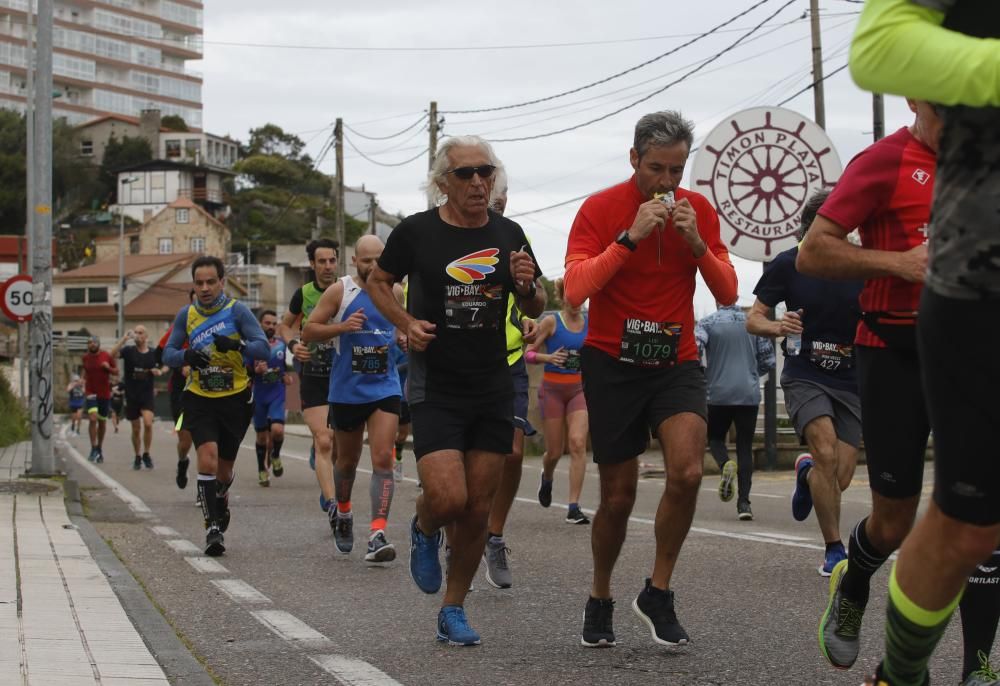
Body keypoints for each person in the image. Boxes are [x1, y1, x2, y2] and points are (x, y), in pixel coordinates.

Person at [797, 97, 1000, 685]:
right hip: (894, 353)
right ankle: (855, 580)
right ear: (915, 98)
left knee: (980, 520)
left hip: (973, 354)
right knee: (895, 521)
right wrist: (902, 265)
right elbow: (814, 251)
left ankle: (979, 667)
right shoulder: (884, 162)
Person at [564, 111, 737, 649]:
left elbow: (729, 292)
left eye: (677, 170)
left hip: (675, 361)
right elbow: (574, 289)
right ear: (634, 158)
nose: (667, 182)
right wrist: (629, 237)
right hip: (612, 364)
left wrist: (697, 246)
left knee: (687, 472)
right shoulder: (599, 208)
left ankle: (657, 591)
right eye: (657, 168)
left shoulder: (698, 211)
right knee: (618, 496)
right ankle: (600, 595)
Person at [368, 135, 545, 646]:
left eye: (485, 172)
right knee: (447, 497)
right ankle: (423, 526)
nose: (477, 182)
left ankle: (453, 609)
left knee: (476, 509)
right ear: (443, 182)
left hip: (491, 384)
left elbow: (535, 304)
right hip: (436, 383)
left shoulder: (509, 232)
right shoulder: (416, 232)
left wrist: (528, 284)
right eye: (465, 174)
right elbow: (380, 281)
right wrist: (406, 322)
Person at [746, 190, 863, 576]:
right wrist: (778, 326)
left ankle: (805, 471)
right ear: (814, 227)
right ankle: (834, 549)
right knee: (827, 454)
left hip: (850, 377)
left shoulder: (858, 266)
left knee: (840, 475)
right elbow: (754, 319)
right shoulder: (788, 264)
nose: (842, 233)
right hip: (805, 373)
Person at [303, 235, 404, 563]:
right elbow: (309, 330)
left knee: (383, 460)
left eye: (379, 260)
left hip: (385, 386)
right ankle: (343, 512)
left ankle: (377, 533)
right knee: (345, 463)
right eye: (366, 261)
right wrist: (343, 327)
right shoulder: (340, 291)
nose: (373, 266)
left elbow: (402, 327)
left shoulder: (395, 290)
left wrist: (404, 337)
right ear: (354, 261)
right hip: (347, 389)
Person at [163, 256, 269, 556]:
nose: (205, 288)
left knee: (223, 470)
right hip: (199, 397)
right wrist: (186, 357)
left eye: (211, 282)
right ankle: (212, 528)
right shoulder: (187, 314)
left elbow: (264, 349)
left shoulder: (237, 311)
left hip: (234, 399)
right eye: (199, 283)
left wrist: (237, 345)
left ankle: (220, 495)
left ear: (222, 281)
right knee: (206, 458)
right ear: (193, 285)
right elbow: (167, 353)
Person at [480, 174, 542, 590]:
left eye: (501, 202)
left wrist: (528, 302)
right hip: (458, 364)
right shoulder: (440, 236)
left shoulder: (513, 237)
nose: (494, 208)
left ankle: (494, 536)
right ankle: (455, 536)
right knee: (466, 465)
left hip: (509, 358)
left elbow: (536, 297)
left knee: (514, 454)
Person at [695, 303, 775, 521]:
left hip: (717, 394)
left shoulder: (707, 323)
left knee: (715, 438)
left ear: (716, 300)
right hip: (748, 394)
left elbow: (695, 350)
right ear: (736, 297)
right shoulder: (752, 322)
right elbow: (768, 360)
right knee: (744, 446)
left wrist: (706, 374)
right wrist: (751, 374)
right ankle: (744, 504)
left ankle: (724, 464)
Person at [279, 239, 340, 523]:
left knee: (337, 443)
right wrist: (293, 346)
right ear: (312, 265)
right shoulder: (303, 294)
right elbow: (285, 325)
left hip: (344, 375)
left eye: (332, 260)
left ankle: (324, 468)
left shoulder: (349, 290)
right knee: (324, 440)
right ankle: (332, 503)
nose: (327, 266)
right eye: (322, 261)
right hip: (313, 373)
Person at [526, 278, 591, 525]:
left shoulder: (589, 322)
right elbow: (528, 354)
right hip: (552, 391)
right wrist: (548, 357)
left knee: (577, 443)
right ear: (562, 297)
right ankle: (548, 476)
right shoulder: (552, 322)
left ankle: (574, 506)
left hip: (578, 391)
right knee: (554, 451)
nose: (575, 303)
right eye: (571, 298)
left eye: (580, 298)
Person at [157, 290, 196, 491]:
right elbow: (161, 352)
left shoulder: (223, 324)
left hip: (212, 391)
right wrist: (180, 365)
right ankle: (182, 461)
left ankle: (206, 490)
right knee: (185, 438)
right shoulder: (180, 326)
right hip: (181, 393)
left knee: (208, 442)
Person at [111, 325, 161, 470]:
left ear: (146, 336)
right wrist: (124, 339)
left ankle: (146, 453)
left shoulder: (152, 353)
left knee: (147, 423)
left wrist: (158, 371)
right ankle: (137, 456)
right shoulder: (128, 351)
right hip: (132, 394)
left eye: (140, 333)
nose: (137, 335)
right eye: (136, 332)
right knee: (136, 428)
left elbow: (164, 366)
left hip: (146, 394)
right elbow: (112, 355)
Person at [250, 310, 290, 487]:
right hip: (259, 394)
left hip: (277, 393)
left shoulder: (282, 345)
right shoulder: (252, 346)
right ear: (260, 324)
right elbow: (244, 369)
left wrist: (286, 376)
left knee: (277, 431)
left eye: (274, 324)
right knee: (261, 438)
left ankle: (275, 456)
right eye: (268, 323)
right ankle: (261, 469)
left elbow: (283, 368)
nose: (271, 327)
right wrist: (255, 371)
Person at [81, 335, 117, 462]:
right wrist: (82, 381)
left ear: (98, 344)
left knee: (102, 422)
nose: (91, 344)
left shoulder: (106, 356)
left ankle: (99, 448)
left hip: (104, 393)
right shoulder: (85, 358)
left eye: (94, 342)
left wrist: (108, 368)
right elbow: (85, 372)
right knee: (92, 418)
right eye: (89, 342)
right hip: (90, 392)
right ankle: (93, 447)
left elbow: (116, 371)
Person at [390, 334, 410, 483]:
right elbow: (388, 368)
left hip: (411, 396)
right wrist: (405, 366)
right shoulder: (392, 346)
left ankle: (398, 457)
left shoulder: (414, 345)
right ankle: (392, 463)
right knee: (389, 434)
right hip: (394, 394)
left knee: (403, 434)